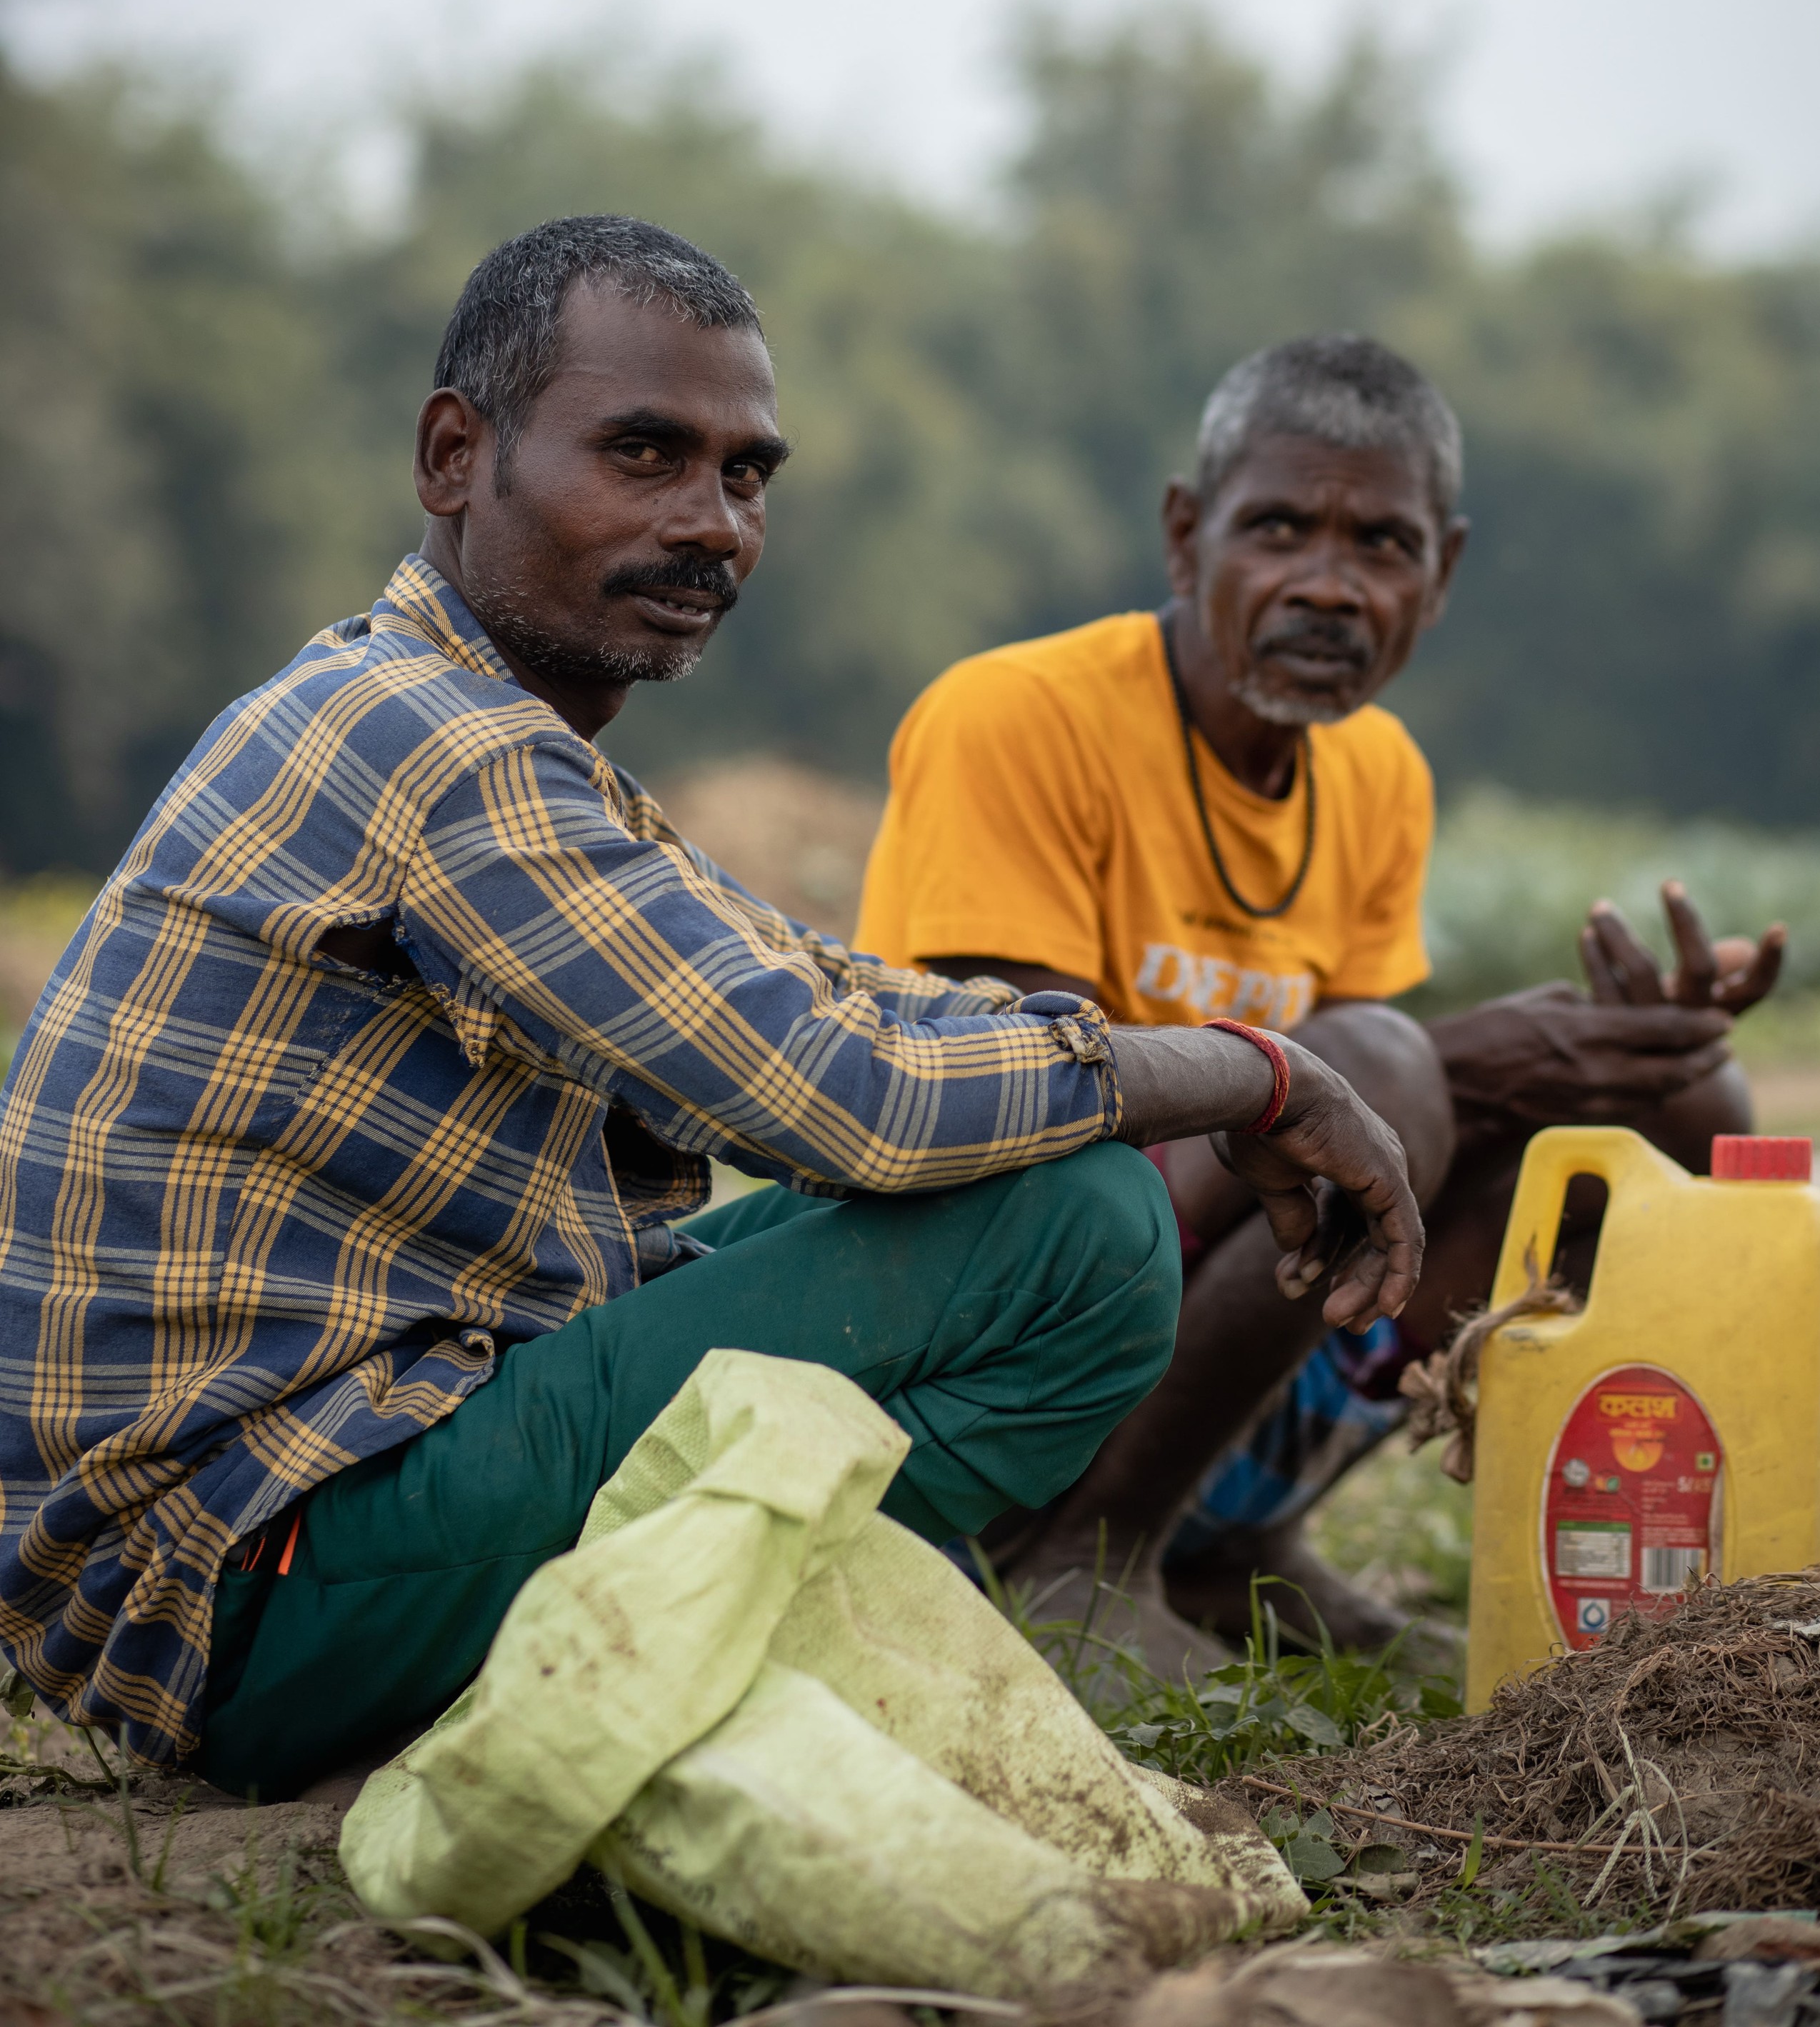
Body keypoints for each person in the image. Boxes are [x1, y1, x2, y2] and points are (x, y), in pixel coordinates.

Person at [0, 223, 1423, 1793]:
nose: (712, 524)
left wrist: (1240, 1074)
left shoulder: (478, 728)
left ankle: (751, 1629)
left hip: (302, 1507)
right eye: (643, 453)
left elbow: (812, 990)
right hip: (234, 1585)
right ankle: (739, 1644)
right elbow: (849, 1101)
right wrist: (1261, 1075)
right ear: (453, 455)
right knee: (1079, 1230)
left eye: (746, 475)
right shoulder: (438, 745)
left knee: (1030, 1187)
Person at [854, 334, 1784, 1657]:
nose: (1330, 587)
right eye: (1279, 527)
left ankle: (1228, 1538)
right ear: (1187, 538)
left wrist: (1620, 1045)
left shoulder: (1378, 775)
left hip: (1194, 1309)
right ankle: (1069, 1557)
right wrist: (1460, 1060)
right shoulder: (1015, 716)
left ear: (1443, 572)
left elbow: (1379, 1162)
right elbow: (1040, 1123)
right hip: (1010, 1316)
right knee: (1386, 1073)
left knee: (1677, 1095)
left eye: (1383, 546)